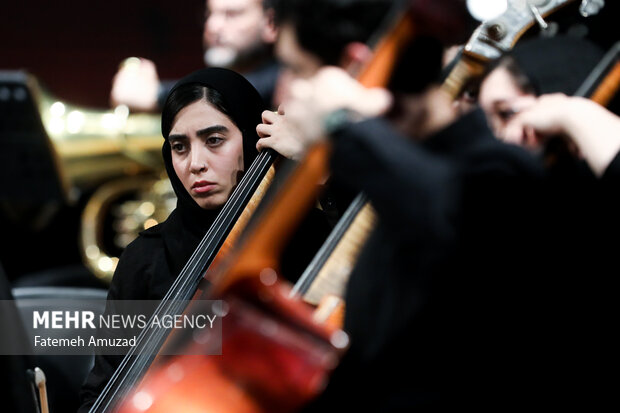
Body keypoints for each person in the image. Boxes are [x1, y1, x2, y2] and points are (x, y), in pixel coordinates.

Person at [78, 67, 330, 412]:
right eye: (179, 146)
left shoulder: (306, 238)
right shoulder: (143, 258)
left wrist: (318, 167)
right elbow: (101, 391)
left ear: (250, 136)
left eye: (214, 140)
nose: (195, 163)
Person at [110, 0, 280, 111]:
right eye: (209, 14)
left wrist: (157, 94)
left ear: (270, 23)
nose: (213, 26)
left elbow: (246, 91)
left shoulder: (287, 78)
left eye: (232, 14)